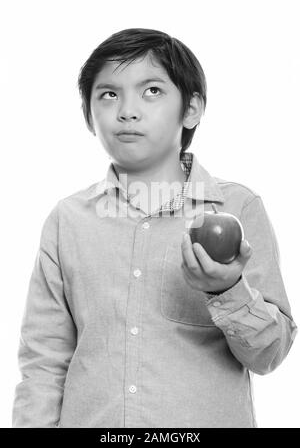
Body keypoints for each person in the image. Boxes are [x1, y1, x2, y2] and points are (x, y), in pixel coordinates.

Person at [12, 28, 297, 428]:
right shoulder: (68, 220)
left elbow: (269, 354)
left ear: (192, 109)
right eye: (108, 94)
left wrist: (228, 290)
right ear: (89, 117)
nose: (127, 110)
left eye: (152, 91)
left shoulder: (237, 208)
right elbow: (44, 361)